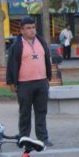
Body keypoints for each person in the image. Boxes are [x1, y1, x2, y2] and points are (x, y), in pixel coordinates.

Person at [6, 16, 54, 147]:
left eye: (33, 27)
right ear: (21, 30)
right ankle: (24, 138)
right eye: (28, 28)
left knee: (41, 111)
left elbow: (47, 60)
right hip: (24, 84)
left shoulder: (41, 42)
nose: (32, 30)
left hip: (41, 82)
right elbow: (11, 64)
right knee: (25, 113)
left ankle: (43, 138)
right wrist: (10, 82)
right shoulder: (17, 45)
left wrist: (48, 77)